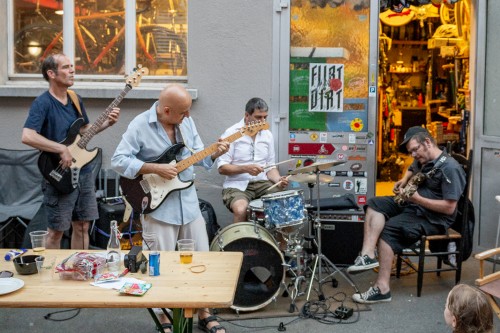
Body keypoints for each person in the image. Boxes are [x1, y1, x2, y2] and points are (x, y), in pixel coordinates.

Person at [111, 84, 229, 333]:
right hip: (158, 207)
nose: (188, 116)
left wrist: (215, 153)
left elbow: (199, 155)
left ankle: (203, 312)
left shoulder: (186, 121)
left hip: (188, 202)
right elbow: (119, 160)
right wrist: (154, 168)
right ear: (166, 110)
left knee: (201, 260)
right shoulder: (140, 125)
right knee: (158, 265)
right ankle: (163, 316)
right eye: (183, 112)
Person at [346, 126, 466, 304]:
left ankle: (382, 289)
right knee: (374, 204)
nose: (413, 155)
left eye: (415, 150)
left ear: (427, 142)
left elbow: (449, 208)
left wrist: (418, 200)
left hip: (433, 217)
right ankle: (368, 255)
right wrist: (404, 179)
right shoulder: (424, 159)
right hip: (414, 205)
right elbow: (412, 166)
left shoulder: (450, 168)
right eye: (411, 152)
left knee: (389, 229)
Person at [21, 53, 120, 250]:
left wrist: (107, 124)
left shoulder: (75, 99)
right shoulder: (43, 103)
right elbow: (28, 136)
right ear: (51, 73)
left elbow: (82, 130)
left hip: (83, 172)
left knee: (83, 225)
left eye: (72, 66)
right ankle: (51, 275)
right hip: (59, 173)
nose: (72, 70)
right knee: (56, 230)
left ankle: (78, 269)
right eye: (66, 67)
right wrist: (60, 148)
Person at [217, 97, 289, 223]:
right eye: (258, 117)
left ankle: (279, 243)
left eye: (265, 117)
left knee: (283, 207)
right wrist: (245, 168)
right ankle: (240, 242)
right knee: (241, 210)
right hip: (237, 185)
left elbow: (271, 166)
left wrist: (278, 180)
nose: (262, 121)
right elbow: (222, 168)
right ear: (247, 115)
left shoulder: (267, 135)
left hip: (262, 184)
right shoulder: (231, 133)